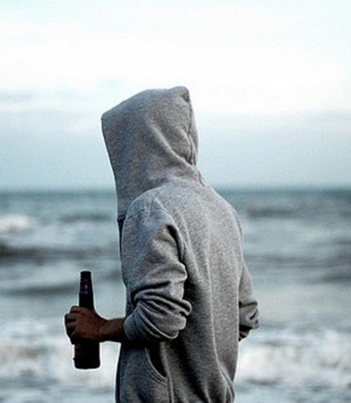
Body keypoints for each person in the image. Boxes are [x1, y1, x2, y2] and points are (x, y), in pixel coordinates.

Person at [65, 86, 259, 402]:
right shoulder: (222, 209)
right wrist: (198, 357)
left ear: (137, 144)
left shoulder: (150, 207)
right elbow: (245, 315)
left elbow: (161, 318)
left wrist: (99, 329)